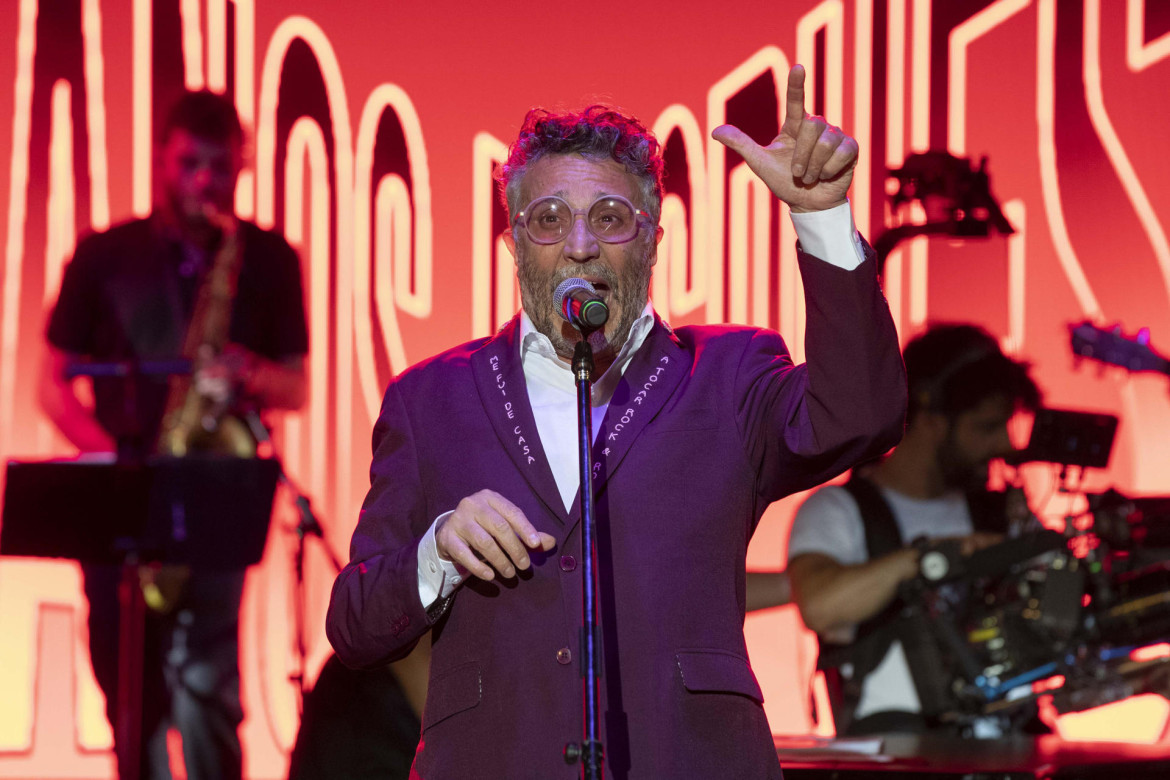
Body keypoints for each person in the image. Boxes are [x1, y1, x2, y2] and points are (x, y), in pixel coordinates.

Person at [326, 65, 906, 778]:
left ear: (654, 238)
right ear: (513, 243)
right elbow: (354, 624)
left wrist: (820, 216)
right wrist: (438, 550)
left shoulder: (726, 374)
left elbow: (863, 418)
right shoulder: (430, 399)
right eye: (548, 219)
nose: (579, 244)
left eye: (609, 217)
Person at [38, 90, 308, 779]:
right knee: (128, 690)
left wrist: (250, 372)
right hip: (123, 497)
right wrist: (120, 460)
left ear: (241, 169)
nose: (203, 182)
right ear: (162, 156)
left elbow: (297, 388)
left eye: (221, 168)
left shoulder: (267, 258)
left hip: (218, 491)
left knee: (209, 690)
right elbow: (49, 383)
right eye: (190, 163)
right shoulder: (105, 255)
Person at [786, 323, 1042, 737]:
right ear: (931, 418)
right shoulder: (839, 510)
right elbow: (818, 605)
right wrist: (930, 558)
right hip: (900, 756)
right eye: (986, 427)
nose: (1006, 446)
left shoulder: (1001, 512)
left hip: (1013, 747)